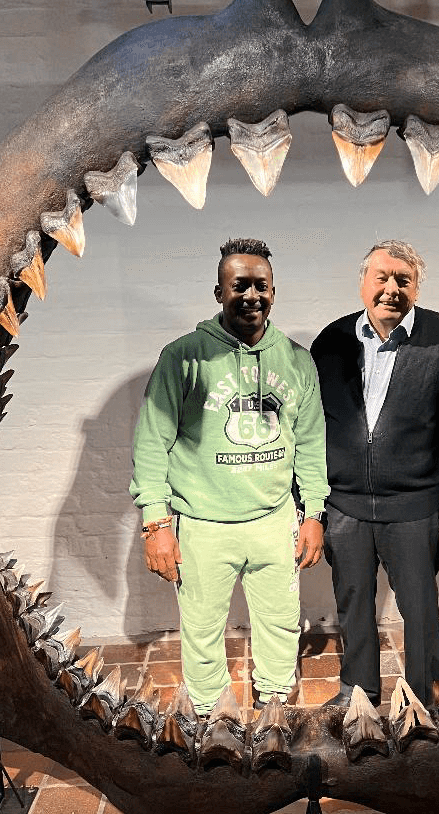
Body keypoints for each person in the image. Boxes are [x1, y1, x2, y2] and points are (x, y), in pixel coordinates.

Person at [130, 238, 329, 715]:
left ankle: (275, 710)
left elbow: (311, 443)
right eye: (239, 286)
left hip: (274, 519)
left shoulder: (298, 360)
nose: (251, 295)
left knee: (281, 625)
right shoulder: (183, 357)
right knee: (201, 631)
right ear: (219, 293)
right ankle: (209, 718)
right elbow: (151, 443)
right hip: (204, 523)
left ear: (274, 292)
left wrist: (313, 513)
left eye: (261, 286)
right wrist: (156, 524)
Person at [310, 240, 439, 709]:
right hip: (344, 507)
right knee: (353, 605)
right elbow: (306, 428)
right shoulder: (331, 343)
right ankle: (359, 692)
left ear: (416, 288)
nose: (391, 288)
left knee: (420, 609)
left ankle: (426, 696)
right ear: (363, 284)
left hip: (413, 507)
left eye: (403, 280)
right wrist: (307, 505)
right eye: (382, 277)